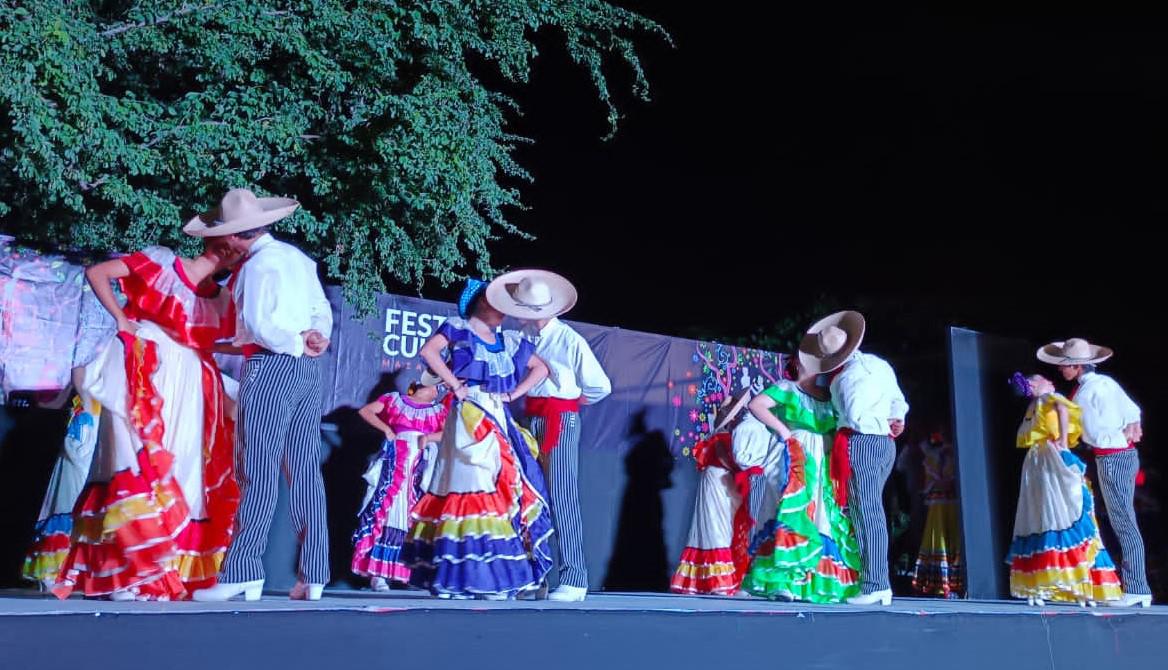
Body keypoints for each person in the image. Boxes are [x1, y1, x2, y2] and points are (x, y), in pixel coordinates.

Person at [53, 238, 240, 601]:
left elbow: (225, 340)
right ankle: (124, 570)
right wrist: (123, 320)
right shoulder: (163, 264)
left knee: (180, 472)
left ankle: (156, 573)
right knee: (130, 460)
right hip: (144, 366)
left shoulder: (221, 298)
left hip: (189, 378)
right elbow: (98, 272)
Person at [190, 188, 334, 603]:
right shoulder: (297, 259)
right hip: (307, 369)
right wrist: (313, 337)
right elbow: (320, 310)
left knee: (258, 470)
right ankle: (314, 573)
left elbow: (258, 324)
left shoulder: (257, 268)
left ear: (236, 237)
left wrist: (291, 340)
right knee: (305, 470)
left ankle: (242, 569)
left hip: (272, 366)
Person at [401, 278, 553, 599]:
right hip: (469, 413)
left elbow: (540, 368)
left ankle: (489, 577)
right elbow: (428, 351)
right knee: (468, 482)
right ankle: (453, 577)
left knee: (500, 486)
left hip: (497, 413)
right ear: (482, 302)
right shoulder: (458, 327)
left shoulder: (508, 340)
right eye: (497, 302)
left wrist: (513, 393)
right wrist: (454, 384)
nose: (503, 311)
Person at [487, 269, 611, 602]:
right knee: (527, 494)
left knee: (561, 493)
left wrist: (570, 403)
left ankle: (575, 576)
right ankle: (533, 576)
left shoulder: (569, 340)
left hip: (560, 417)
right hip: (530, 416)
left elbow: (601, 386)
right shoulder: (523, 334)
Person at [798, 311, 907, 606]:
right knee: (871, 510)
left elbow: (856, 414)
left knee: (867, 512)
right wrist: (895, 418)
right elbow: (899, 401)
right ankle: (876, 581)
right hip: (885, 442)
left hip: (862, 441)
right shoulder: (878, 365)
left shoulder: (846, 378)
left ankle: (875, 585)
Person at [1039, 338, 1151, 608]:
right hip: (1116, 455)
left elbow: (1096, 430)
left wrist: (1074, 433)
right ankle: (1137, 587)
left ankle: (1137, 587)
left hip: (1113, 457)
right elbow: (1132, 409)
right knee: (1122, 520)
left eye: (1065, 366)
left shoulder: (1093, 391)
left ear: (1077, 366)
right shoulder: (1102, 385)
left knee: (1124, 521)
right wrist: (1132, 423)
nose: (1061, 371)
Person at [740, 359, 861, 603]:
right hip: (794, 454)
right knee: (791, 510)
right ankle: (783, 582)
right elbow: (757, 405)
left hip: (822, 462)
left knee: (821, 518)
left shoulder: (829, 397)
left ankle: (811, 582)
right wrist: (784, 431)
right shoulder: (788, 388)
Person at [1005, 372, 1122, 606]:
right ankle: (1049, 583)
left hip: (1044, 458)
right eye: (1043, 379)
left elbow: (1060, 412)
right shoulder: (1043, 399)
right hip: (1045, 458)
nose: (1050, 381)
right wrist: (1063, 444)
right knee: (1050, 513)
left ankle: (1068, 583)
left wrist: (1063, 445)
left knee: (1054, 513)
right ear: (1035, 384)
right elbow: (1062, 410)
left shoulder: (1042, 402)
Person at [351, 371, 448, 590]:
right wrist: (386, 429)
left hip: (418, 469)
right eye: (433, 387)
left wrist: (429, 438)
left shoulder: (438, 411)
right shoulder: (394, 400)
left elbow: (450, 432)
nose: (436, 391)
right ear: (420, 387)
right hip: (394, 466)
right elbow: (366, 411)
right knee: (387, 510)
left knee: (413, 515)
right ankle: (378, 574)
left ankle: (409, 573)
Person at [670, 390, 758, 595]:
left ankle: (717, 579)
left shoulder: (733, 435)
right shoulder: (721, 437)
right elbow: (729, 461)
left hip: (726, 483)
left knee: (728, 527)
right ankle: (718, 581)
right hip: (718, 482)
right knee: (716, 527)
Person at [22, 369, 101, 590]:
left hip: (88, 438)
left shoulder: (91, 403)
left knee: (72, 504)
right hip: (81, 439)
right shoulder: (84, 401)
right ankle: (56, 574)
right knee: (66, 501)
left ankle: (64, 575)